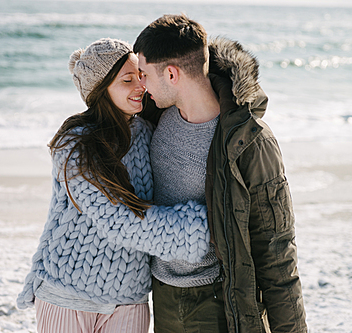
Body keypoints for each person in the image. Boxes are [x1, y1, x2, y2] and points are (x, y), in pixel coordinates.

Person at [16, 38, 210, 333]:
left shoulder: (148, 133)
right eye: (127, 80)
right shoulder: (76, 144)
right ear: (100, 90)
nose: (140, 86)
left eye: (141, 77)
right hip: (68, 294)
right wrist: (208, 228)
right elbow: (119, 222)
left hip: (129, 300)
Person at [135, 15, 307, 333]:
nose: (140, 83)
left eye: (144, 73)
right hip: (161, 296)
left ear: (171, 73)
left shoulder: (249, 141)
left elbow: (276, 249)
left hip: (218, 302)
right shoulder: (153, 116)